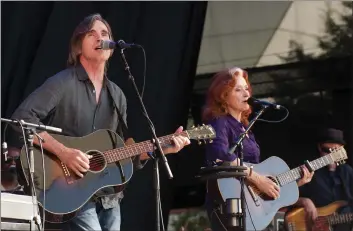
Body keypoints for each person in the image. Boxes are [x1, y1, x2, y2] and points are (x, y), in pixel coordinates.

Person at [11, 13, 190, 231]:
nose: (99, 38)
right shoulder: (62, 83)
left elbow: (123, 153)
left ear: (112, 47)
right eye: (91, 34)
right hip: (68, 189)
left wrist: (161, 149)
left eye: (104, 34)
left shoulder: (117, 95)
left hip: (108, 196)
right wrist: (64, 152)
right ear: (78, 47)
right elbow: (23, 119)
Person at [202, 67, 313, 231]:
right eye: (238, 90)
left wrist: (295, 182)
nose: (247, 94)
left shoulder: (244, 128)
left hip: (253, 208)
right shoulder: (220, 122)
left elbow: (259, 175)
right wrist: (257, 178)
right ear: (223, 95)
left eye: (246, 89)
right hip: (230, 205)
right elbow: (219, 154)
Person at [292, 128, 353, 231]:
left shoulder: (348, 172)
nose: (330, 155)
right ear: (319, 147)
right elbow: (286, 197)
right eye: (326, 150)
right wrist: (304, 201)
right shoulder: (309, 170)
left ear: (342, 149)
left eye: (335, 151)